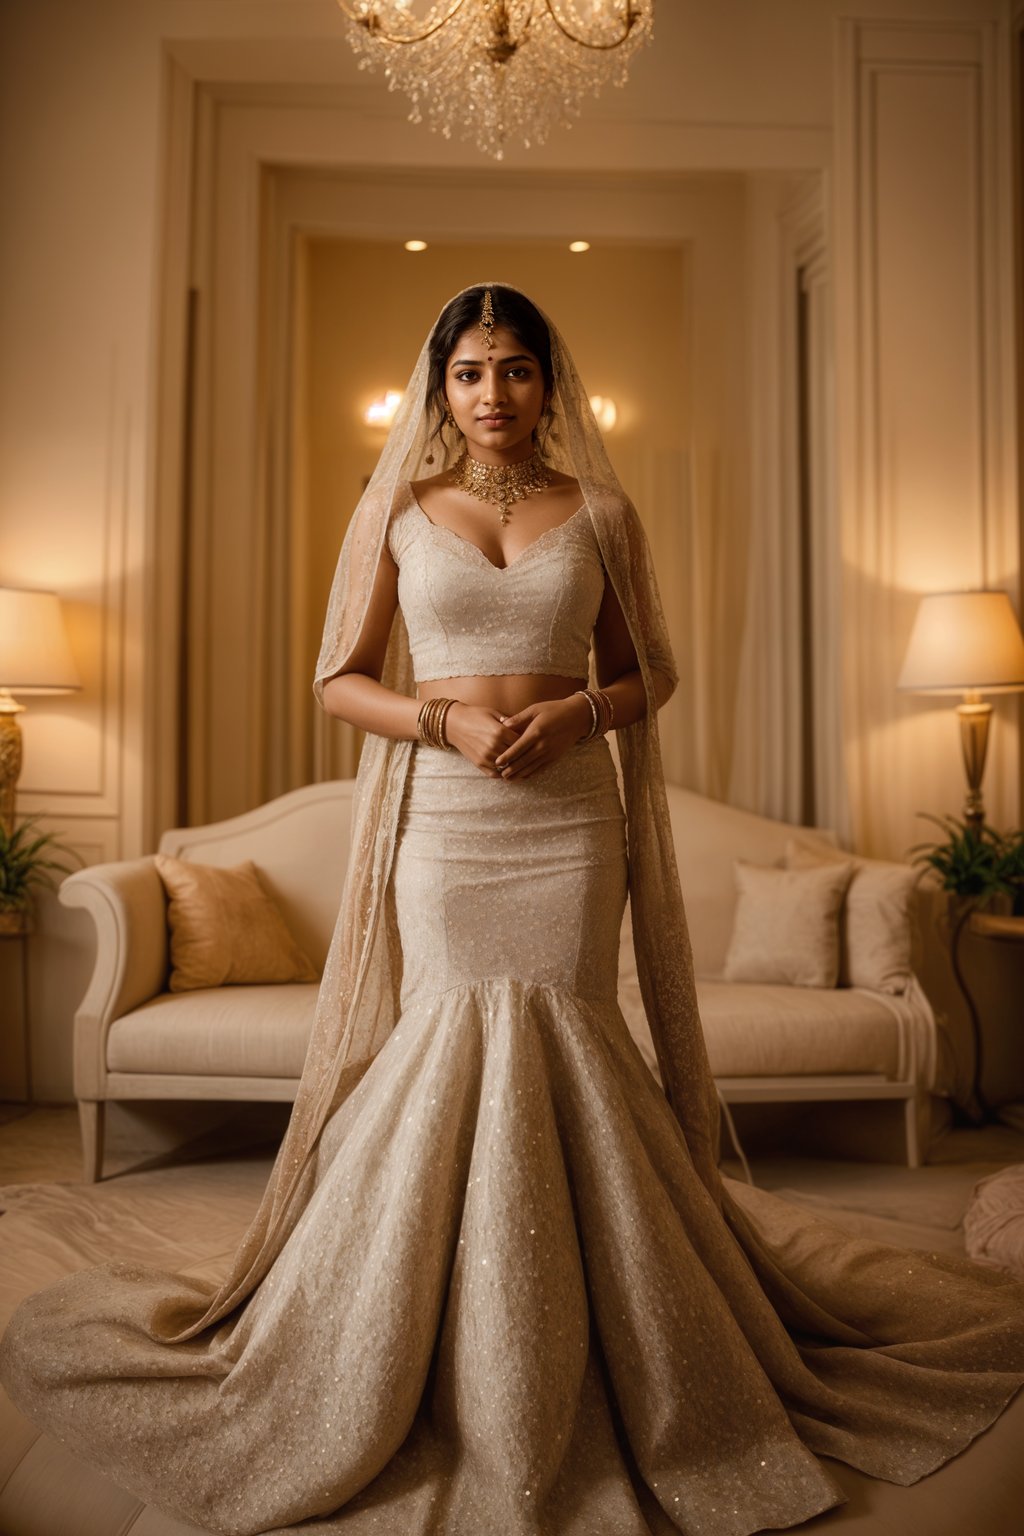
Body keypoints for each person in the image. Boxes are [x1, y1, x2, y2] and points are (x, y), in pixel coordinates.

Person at [2, 283, 1023, 1536]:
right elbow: (339, 680)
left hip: (567, 820)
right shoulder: (395, 510)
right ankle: (416, 1340)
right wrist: (444, 719)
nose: (495, 395)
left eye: (517, 371)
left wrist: (580, 712)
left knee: (570, 1038)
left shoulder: (602, 509)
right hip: (446, 822)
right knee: (447, 1040)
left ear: (552, 384)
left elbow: (653, 669)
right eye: (472, 373)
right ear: (442, 387)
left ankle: (612, 1334)